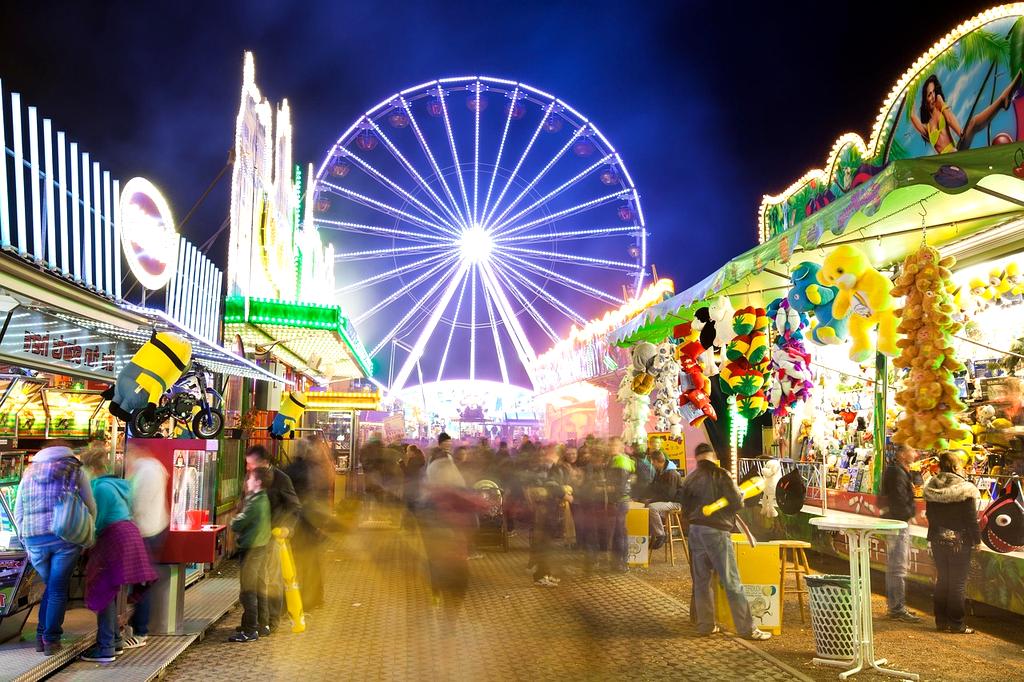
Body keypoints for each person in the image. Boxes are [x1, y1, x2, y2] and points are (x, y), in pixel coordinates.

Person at [678, 443, 771, 641]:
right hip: (717, 532)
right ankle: (747, 628)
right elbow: (737, 501)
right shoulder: (722, 475)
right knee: (731, 581)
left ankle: (705, 625)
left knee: (701, 582)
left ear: (697, 458)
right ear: (712, 455)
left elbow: (684, 508)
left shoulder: (690, 479)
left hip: (695, 531)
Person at [14, 441, 96, 656]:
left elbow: (18, 508)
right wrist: (87, 531)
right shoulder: (75, 471)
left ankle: (42, 637)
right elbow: (90, 505)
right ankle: (50, 639)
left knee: (49, 586)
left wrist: (24, 536)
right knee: (57, 588)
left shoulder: (29, 472)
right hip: (65, 537)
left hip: (34, 539)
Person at [80, 444, 158, 663]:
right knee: (110, 590)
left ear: (90, 468)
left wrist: (85, 541)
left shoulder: (99, 489)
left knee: (102, 589)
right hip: (128, 535)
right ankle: (114, 640)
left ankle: (106, 647)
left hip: (114, 538)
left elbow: (98, 520)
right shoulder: (115, 484)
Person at [244, 445, 300, 635]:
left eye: (252, 463)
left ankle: (272, 621)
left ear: (264, 462)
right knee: (255, 580)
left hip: (274, 535)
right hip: (254, 537)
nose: (249, 467)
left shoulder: (281, 479)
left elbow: (294, 506)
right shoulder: (251, 476)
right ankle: (256, 621)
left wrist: (287, 527)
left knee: (272, 579)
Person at [923, 451, 980, 634]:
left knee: (943, 580)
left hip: (937, 540)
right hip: (959, 542)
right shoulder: (965, 488)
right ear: (956, 467)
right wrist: (977, 540)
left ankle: (941, 622)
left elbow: (930, 515)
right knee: (957, 583)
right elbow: (971, 518)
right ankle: (957, 624)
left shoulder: (931, 486)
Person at [124, 448, 170, 649]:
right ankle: (137, 627)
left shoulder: (145, 471)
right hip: (155, 528)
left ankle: (140, 630)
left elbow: (138, 504)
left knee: (142, 582)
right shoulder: (154, 468)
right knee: (142, 581)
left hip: (145, 532)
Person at [910, 72, 1022, 154]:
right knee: (973, 123)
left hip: (956, 153)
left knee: (973, 122)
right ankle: (1002, 101)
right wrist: (911, 93)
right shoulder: (927, 128)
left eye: (934, 92)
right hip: (945, 162)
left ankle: (1003, 100)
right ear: (925, 100)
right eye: (929, 94)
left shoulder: (939, 104)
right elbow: (912, 116)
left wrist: (960, 132)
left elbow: (949, 117)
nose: (933, 96)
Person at [283, 438, 332, 611]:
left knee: (297, 562)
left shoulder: (291, 470)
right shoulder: (315, 469)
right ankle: (314, 597)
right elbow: (320, 497)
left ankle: (300, 599)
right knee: (311, 562)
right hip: (310, 522)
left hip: (299, 523)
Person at [228, 467, 273, 642]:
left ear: (258, 482)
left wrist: (233, 520)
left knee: (248, 590)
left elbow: (239, 523)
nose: (247, 482)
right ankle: (262, 624)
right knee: (260, 587)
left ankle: (250, 629)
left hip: (252, 549)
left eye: (250, 479)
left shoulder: (255, 502)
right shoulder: (263, 499)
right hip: (261, 547)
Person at [879, 445, 922, 623]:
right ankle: (897, 608)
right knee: (898, 567)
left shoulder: (897, 471)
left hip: (897, 521)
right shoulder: (896, 473)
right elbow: (898, 498)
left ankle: (895, 606)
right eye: (912, 450)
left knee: (895, 567)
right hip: (898, 523)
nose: (916, 453)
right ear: (902, 454)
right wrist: (906, 516)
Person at [606, 437, 635, 573]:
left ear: (621, 447)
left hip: (619, 501)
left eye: (615, 445)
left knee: (619, 533)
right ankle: (621, 562)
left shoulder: (619, 461)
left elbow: (621, 484)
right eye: (610, 445)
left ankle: (621, 564)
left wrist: (614, 498)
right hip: (621, 500)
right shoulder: (621, 459)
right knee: (620, 532)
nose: (611, 447)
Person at [645, 450, 682, 551]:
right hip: (667, 500)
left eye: (652, 462)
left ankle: (661, 535)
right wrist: (640, 497)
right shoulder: (661, 471)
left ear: (656, 461)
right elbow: (652, 487)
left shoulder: (672, 474)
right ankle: (655, 534)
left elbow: (669, 495)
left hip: (675, 502)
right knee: (646, 505)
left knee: (651, 507)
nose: (652, 464)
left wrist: (651, 500)